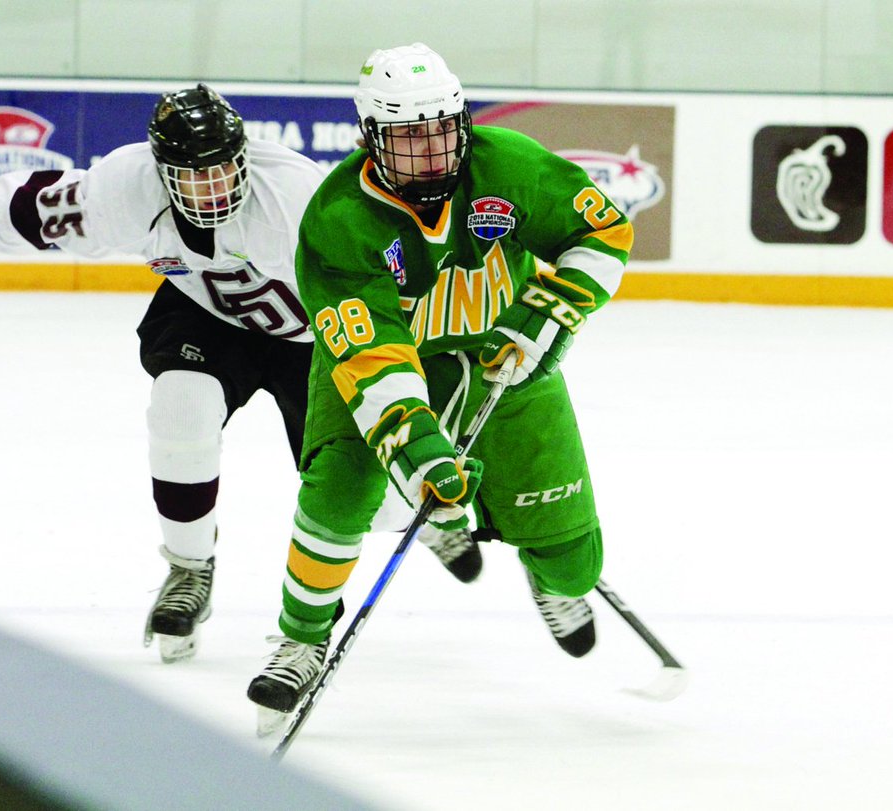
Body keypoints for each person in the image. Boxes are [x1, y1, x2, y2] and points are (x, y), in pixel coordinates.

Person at [0, 83, 479, 664]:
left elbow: (385, 292)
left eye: (222, 169)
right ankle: (189, 569)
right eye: (193, 174)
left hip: (316, 338)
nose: (212, 188)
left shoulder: (297, 201)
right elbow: (16, 207)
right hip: (207, 314)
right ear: (162, 173)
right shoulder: (121, 191)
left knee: (372, 502)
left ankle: (413, 514)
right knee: (180, 405)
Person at [246, 44, 633, 724]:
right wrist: (419, 451)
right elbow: (372, 359)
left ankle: (549, 573)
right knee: (340, 489)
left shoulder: (507, 166)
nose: (430, 154)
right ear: (370, 137)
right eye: (407, 138)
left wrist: (549, 312)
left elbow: (602, 228)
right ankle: (301, 638)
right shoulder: (339, 220)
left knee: (574, 557)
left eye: (440, 133)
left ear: (462, 121)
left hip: (503, 359)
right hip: (388, 367)